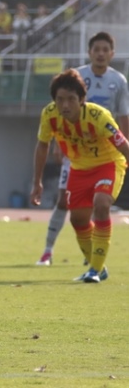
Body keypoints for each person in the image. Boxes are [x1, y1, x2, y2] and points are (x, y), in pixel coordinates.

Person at [36, 32, 129, 265]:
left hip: (104, 150)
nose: (100, 54)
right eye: (96, 49)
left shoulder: (118, 81)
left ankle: (95, 258)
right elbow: (59, 119)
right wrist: (59, 146)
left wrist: (124, 149)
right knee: (64, 202)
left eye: (105, 50)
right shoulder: (76, 77)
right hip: (74, 151)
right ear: (89, 52)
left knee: (99, 203)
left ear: (112, 54)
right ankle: (48, 250)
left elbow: (123, 116)